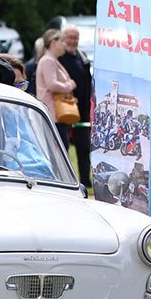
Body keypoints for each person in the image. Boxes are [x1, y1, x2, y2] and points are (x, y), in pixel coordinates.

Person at [58, 24, 93, 187]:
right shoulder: (59, 58)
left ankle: (86, 180)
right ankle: (64, 180)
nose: (73, 41)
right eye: (70, 38)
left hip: (83, 111)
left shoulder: (82, 56)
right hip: (63, 109)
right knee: (62, 147)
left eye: (75, 38)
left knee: (84, 149)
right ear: (63, 38)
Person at [34, 28, 76, 151]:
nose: (65, 44)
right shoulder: (48, 61)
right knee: (59, 151)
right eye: (62, 41)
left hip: (56, 115)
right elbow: (52, 85)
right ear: (53, 42)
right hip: (54, 115)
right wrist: (70, 85)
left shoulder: (51, 60)